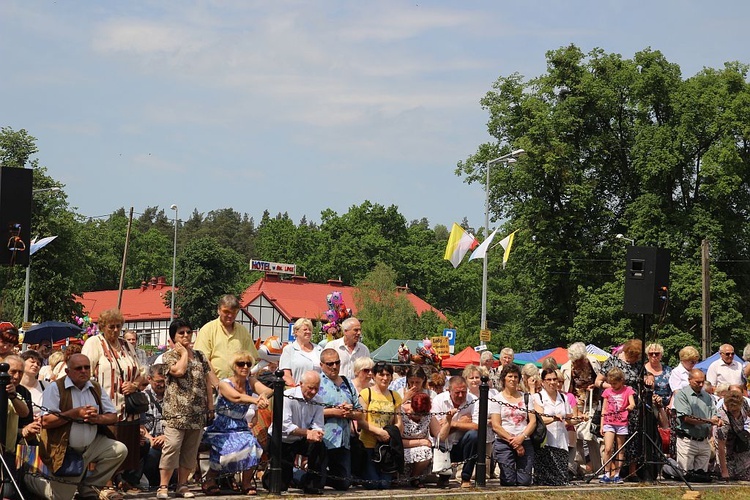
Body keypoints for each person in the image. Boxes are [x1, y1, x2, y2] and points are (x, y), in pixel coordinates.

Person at [26, 353, 127, 500]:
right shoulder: (55, 388)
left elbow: (113, 416)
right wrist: (75, 413)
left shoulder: (95, 387)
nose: (84, 371)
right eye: (78, 368)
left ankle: (89, 489)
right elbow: (46, 421)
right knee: (60, 497)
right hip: (65, 451)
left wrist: (97, 418)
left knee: (119, 450)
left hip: (92, 446)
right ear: (67, 372)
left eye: (87, 367)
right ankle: (30, 480)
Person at [81, 308, 143, 496]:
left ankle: (118, 480)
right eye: (111, 327)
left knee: (125, 445)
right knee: (108, 443)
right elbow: (85, 371)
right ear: (102, 327)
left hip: (128, 407)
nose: (115, 331)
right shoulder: (94, 343)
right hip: (105, 407)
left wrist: (134, 385)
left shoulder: (126, 345)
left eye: (118, 327)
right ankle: (104, 484)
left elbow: (142, 372)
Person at [158, 318, 216, 500]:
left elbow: (208, 380)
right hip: (176, 412)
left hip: (197, 412)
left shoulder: (200, 356)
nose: (186, 336)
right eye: (181, 333)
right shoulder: (168, 356)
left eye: (188, 332)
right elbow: (179, 371)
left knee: (190, 451)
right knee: (172, 447)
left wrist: (210, 405)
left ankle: (182, 485)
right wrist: (183, 353)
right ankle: (163, 486)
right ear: (173, 337)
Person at [202, 351, 267, 496]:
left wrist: (263, 397)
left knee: (251, 443)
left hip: (241, 426)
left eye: (248, 364)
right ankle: (210, 479)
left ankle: (246, 483)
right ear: (234, 366)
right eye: (240, 363)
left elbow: (267, 390)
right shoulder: (224, 383)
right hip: (221, 427)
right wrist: (256, 400)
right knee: (224, 448)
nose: (245, 367)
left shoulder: (251, 382)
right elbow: (236, 397)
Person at [267, 370, 327, 495]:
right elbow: (285, 425)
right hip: (281, 440)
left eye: (316, 388)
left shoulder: (318, 399)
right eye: (310, 388)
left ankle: (310, 484)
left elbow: (318, 424)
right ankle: (268, 478)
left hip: (300, 439)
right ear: (300, 384)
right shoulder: (288, 396)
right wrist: (307, 433)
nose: (313, 392)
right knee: (281, 485)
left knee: (319, 446)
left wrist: (316, 433)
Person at [317, 348, 362, 491]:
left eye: (337, 363)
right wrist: (333, 412)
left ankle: (322, 477)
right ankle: (296, 476)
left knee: (344, 483)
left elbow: (360, 412)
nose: (334, 367)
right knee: (316, 482)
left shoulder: (347, 383)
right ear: (321, 364)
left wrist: (349, 412)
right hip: (323, 438)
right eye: (330, 364)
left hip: (344, 440)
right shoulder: (316, 382)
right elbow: (309, 411)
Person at [358, 362, 402, 489]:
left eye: (388, 375)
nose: (385, 378)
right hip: (368, 444)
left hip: (386, 446)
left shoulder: (395, 396)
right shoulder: (366, 394)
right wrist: (378, 432)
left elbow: (398, 422)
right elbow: (361, 421)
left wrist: (389, 434)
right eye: (381, 374)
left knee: (384, 485)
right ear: (374, 376)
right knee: (373, 484)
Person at [490, 363, 536, 486]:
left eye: (516, 377)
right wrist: (515, 443)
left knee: (524, 481)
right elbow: (496, 425)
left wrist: (522, 437)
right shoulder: (497, 398)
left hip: (524, 439)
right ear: (504, 378)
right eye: (510, 376)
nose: (513, 379)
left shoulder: (526, 398)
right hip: (504, 441)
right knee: (508, 480)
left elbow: (532, 421)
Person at [193, 294, 259, 380]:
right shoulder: (207, 330)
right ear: (218, 311)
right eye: (226, 312)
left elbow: (251, 358)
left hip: (237, 385)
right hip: (213, 387)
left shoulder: (243, 331)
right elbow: (203, 360)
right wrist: (217, 384)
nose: (230, 315)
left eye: (233, 312)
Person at [672, 369, 722, 479]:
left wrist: (717, 419)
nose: (700, 384)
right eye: (697, 382)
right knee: (685, 474)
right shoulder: (682, 395)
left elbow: (714, 413)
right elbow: (686, 418)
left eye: (702, 382)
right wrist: (709, 421)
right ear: (689, 380)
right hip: (687, 440)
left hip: (703, 440)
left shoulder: (707, 396)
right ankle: (668, 468)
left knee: (701, 476)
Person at [561, 341, 602, 473]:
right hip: (575, 403)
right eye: (575, 360)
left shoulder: (593, 362)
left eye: (579, 359)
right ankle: (577, 466)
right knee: (576, 435)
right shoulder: (567, 367)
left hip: (593, 402)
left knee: (590, 435)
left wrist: (595, 386)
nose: (577, 362)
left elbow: (601, 379)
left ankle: (597, 466)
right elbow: (565, 388)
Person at [432, 375, 478, 488]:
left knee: (474, 436)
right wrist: (463, 424)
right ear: (449, 390)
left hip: (462, 444)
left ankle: (466, 478)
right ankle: (443, 478)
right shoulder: (438, 400)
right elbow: (438, 433)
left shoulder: (474, 400)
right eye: (457, 392)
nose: (461, 395)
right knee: (441, 441)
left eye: (464, 392)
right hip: (443, 445)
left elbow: (477, 426)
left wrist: (452, 423)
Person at [533, 367, 573, 486]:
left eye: (554, 379)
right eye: (549, 379)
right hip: (545, 443)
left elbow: (569, 419)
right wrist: (553, 418)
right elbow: (539, 419)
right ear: (543, 382)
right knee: (545, 480)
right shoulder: (537, 397)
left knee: (561, 479)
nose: (552, 382)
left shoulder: (564, 398)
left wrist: (581, 419)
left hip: (561, 442)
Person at [400, 392, 447, 487]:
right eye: (415, 412)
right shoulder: (401, 413)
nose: (418, 416)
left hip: (421, 452)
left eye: (422, 413)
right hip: (401, 447)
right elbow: (396, 441)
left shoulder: (428, 416)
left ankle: (415, 477)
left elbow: (440, 437)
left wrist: (448, 422)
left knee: (426, 451)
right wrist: (420, 442)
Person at [599, 368, 635, 484]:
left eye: (615, 383)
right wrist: (601, 424)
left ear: (621, 381)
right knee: (608, 448)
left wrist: (630, 407)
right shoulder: (608, 392)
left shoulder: (628, 390)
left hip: (621, 422)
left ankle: (617, 474)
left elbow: (632, 403)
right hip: (609, 422)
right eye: (611, 383)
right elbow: (604, 409)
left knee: (620, 448)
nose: (613, 386)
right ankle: (607, 473)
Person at [2, 354, 31, 499]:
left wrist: (12, 396)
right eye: (13, 371)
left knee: (7, 493)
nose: (17, 376)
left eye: (20, 372)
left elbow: (24, 412)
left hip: (7, 452)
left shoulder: (17, 392)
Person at [139, 364, 170, 490]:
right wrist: (151, 439)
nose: (162, 385)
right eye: (158, 381)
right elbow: (140, 425)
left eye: (164, 381)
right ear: (149, 379)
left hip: (168, 438)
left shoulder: (172, 396)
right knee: (151, 452)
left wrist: (166, 437)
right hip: (150, 440)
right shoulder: (142, 397)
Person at [716, 390, 750, 480]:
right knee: (730, 476)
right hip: (727, 448)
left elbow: (748, 413)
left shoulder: (744, 403)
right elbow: (721, 447)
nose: (735, 412)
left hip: (741, 444)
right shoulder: (723, 417)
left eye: (737, 410)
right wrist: (724, 471)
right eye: (733, 411)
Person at [279, 318, 323, 386]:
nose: (308, 332)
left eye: (310, 330)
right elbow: (286, 374)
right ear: (296, 331)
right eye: (305, 329)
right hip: (298, 391)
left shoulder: (319, 349)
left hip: (319, 392)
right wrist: (295, 388)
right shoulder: (289, 349)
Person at [20, 349, 46, 414]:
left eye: (38, 363)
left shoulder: (46, 386)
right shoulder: (14, 386)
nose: (35, 365)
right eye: (32, 362)